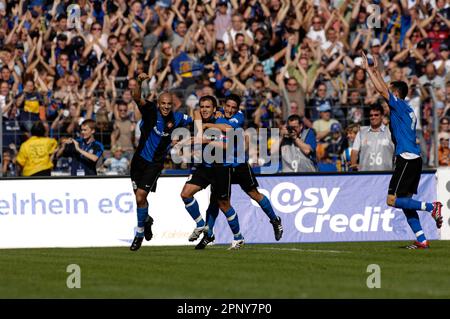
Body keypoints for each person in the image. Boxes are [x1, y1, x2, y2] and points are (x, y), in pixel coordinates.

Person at [361, 52, 443, 249]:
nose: (386, 94)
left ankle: (432, 207)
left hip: (406, 158)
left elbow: (382, 91)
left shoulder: (399, 106)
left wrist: (368, 72)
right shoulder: (404, 108)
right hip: (412, 158)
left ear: (395, 94)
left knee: (392, 200)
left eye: (390, 92)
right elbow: (384, 88)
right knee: (405, 201)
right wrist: (375, 71)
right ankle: (422, 239)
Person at [195, 94, 283, 249]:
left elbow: (229, 129)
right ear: (224, 105)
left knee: (254, 194)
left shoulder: (239, 117)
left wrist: (208, 126)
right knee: (215, 201)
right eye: (227, 106)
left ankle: (275, 220)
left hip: (239, 164)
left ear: (237, 109)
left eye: (233, 108)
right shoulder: (218, 113)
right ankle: (208, 235)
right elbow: (198, 113)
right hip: (222, 165)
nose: (229, 110)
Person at [128, 75, 192, 251]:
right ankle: (147, 220)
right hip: (138, 161)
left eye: (168, 104)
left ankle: (139, 233)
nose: (165, 107)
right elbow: (136, 97)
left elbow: (195, 119)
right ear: (158, 103)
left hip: (154, 164)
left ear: (173, 105)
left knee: (141, 196)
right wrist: (139, 82)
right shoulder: (150, 111)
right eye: (163, 103)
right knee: (139, 198)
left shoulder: (178, 118)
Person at [180, 95, 245, 250]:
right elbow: (193, 119)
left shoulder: (220, 122)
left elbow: (226, 146)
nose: (204, 109)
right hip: (204, 166)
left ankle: (238, 237)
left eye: (207, 107)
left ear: (215, 109)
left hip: (220, 167)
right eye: (202, 107)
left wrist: (202, 140)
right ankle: (202, 226)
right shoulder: (199, 121)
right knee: (185, 193)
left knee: (223, 205)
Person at [350, 104, 395, 171]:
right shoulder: (361, 132)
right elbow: (354, 151)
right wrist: (353, 164)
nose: (373, 117)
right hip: (365, 175)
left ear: (382, 116)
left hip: (386, 174)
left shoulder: (391, 132)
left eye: (376, 115)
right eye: (371, 115)